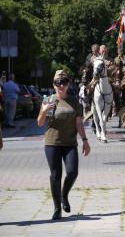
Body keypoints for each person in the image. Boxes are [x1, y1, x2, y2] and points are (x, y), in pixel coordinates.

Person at [37, 70, 90, 220]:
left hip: (70, 143)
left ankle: (64, 195)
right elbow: (40, 123)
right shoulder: (48, 100)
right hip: (52, 143)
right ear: (53, 85)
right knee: (55, 175)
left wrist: (85, 141)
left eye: (64, 82)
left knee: (72, 172)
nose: (61, 85)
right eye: (57, 83)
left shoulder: (74, 102)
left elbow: (79, 123)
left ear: (68, 84)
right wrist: (44, 110)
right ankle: (56, 208)